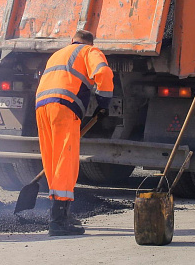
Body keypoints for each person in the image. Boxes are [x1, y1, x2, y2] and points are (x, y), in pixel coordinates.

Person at [35, 30, 114, 235]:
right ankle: (59, 222)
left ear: (72, 41)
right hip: (64, 107)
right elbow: (103, 73)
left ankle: (59, 213)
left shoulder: (58, 54)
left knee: (52, 159)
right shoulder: (89, 51)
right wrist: (103, 104)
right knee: (66, 158)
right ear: (90, 42)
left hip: (42, 106)